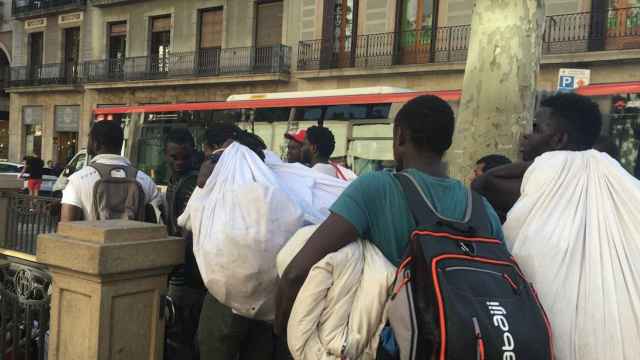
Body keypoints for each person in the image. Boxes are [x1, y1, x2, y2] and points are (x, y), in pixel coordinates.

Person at [275, 96, 504, 351]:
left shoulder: (377, 188)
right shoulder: (482, 209)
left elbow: (296, 272)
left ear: (400, 137)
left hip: (396, 347)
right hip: (468, 346)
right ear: (448, 142)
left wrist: (282, 332)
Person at [196, 123, 286, 360]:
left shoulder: (226, 190)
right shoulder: (274, 189)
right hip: (267, 301)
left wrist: (203, 183)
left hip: (226, 295)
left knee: (214, 349)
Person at [472, 92, 603, 216]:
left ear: (559, 140)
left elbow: (481, 183)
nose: (526, 136)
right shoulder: (603, 184)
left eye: (536, 129)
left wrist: (544, 163)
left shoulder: (538, 189)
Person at [162, 128, 205, 360]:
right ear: (165, 155)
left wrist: (172, 267)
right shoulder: (178, 181)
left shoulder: (190, 184)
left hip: (186, 274)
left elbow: (186, 234)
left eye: (185, 157)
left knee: (179, 336)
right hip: (184, 270)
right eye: (174, 157)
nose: (179, 162)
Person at [60, 120, 158, 222]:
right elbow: (155, 225)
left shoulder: (77, 180)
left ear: (96, 144)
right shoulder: (146, 181)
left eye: (89, 138)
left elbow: (66, 227)